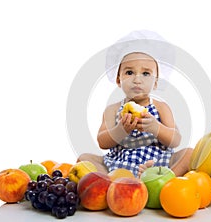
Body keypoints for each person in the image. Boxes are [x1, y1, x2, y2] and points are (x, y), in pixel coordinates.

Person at [77, 30, 194, 178]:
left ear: (156, 82)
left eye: (146, 74)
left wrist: (155, 127)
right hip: (120, 164)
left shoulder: (161, 107)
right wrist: (121, 130)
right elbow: (102, 142)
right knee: (84, 159)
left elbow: (175, 140)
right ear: (118, 80)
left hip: (157, 162)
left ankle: (163, 180)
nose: (137, 79)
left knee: (189, 154)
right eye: (129, 72)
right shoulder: (112, 109)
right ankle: (116, 183)